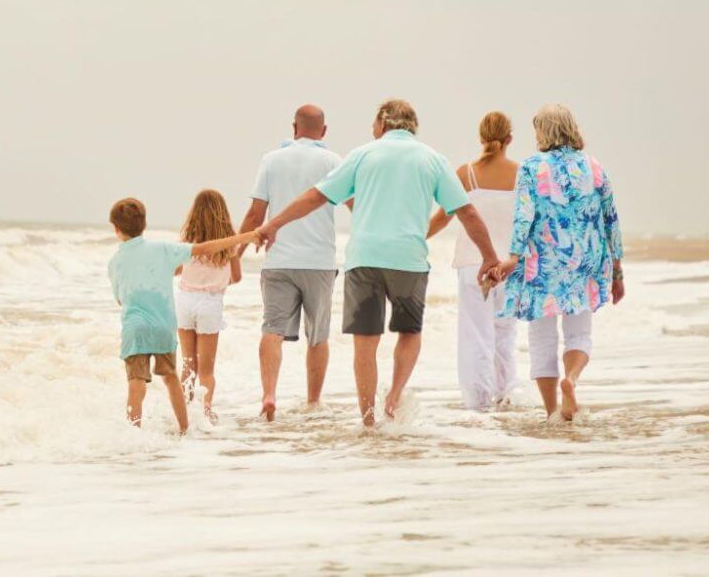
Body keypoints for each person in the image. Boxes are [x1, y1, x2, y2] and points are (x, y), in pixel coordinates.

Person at [256, 99, 501, 425]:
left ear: (383, 124)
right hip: (408, 260)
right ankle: (394, 395)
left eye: (374, 124)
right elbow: (466, 211)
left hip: (365, 260)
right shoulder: (432, 159)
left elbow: (316, 196)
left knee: (365, 342)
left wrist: (275, 224)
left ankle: (368, 418)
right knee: (409, 332)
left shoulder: (362, 155)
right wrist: (489, 257)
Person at [493, 104, 625, 422]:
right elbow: (611, 219)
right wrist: (617, 271)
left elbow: (523, 216)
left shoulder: (531, 167)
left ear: (545, 132)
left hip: (543, 263)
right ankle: (573, 380)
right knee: (579, 333)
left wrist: (513, 256)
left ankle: (553, 411)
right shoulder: (594, 167)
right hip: (587, 261)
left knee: (542, 338)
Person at [107, 197, 258, 433]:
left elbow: (119, 298)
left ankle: (133, 433)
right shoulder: (163, 249)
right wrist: (245, 237)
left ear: (115, 229)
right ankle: (185, 429)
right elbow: (206, 248)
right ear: (144, 224)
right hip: (163, 326)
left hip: (135, 328)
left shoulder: (115, 261)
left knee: (136, 384)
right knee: (171, 379)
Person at [239, 104, 343, 421]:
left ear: (293, 127)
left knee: (272, 329)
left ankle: (269, 395)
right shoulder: (334, 161)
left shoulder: (271, 159)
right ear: (324, 131)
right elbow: (357, 205)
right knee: (318, 336)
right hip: (319, 261)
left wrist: (234, 257)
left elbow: (256, 215)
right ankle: (313, 402)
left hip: (279, 261)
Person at [427, 111, 519, 411]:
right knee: (505, 333)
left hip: (472, 264)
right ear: (509, 139)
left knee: (475, 335)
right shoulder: (522, 174)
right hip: (510, 265)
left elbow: (441, 219)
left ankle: (478, 404)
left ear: (481, 138)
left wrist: (415, 240)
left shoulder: (466, 174)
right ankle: (505, 396)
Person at [175, 189, 243, 423]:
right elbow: (237, 276)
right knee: (207, 369)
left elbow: (176, 269)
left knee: (188, 363)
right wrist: (218, 280)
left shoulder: (187, 240)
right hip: (211, 303)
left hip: (184, 302)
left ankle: (184, 410)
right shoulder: (229, 242)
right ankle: (205, 411)